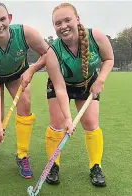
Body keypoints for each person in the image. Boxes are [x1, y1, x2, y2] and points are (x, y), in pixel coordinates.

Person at [0, 1, 74, 179]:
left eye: (2, 19)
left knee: (25, 107)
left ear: (9, 18)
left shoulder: (26, 33)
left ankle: (22, 155)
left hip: (17, 74)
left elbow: (48, 53)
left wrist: (32, 69)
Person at [44, 2, 114, 187]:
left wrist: (101, 80)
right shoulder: (53, 52)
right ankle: (53, 165)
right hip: (62, 85)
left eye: (67, 20)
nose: (63, 26)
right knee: (58, 124)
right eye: (58, 23)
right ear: (54, 27)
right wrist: (68, 118)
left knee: (91, 124)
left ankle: (95, 166)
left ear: (77, 19)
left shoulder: (95, 36)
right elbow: (59, 88)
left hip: (88, 83)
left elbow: (109, 59)